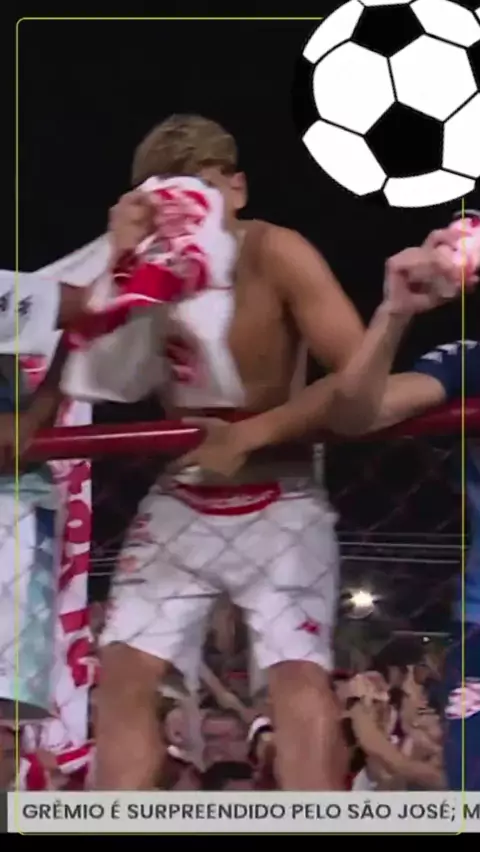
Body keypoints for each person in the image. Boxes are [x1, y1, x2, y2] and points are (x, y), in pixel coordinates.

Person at [94, 113, 466, 792]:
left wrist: (251, 433)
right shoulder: (142, 264)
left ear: (236, 189)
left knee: (296, 677)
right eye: (165, 197)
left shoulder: (276, 252)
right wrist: (118, 267)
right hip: (181, 495)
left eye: (202, 191)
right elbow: (97, 373)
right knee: (122, 675)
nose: (185, 212)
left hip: (281, 494)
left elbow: (358, 380)